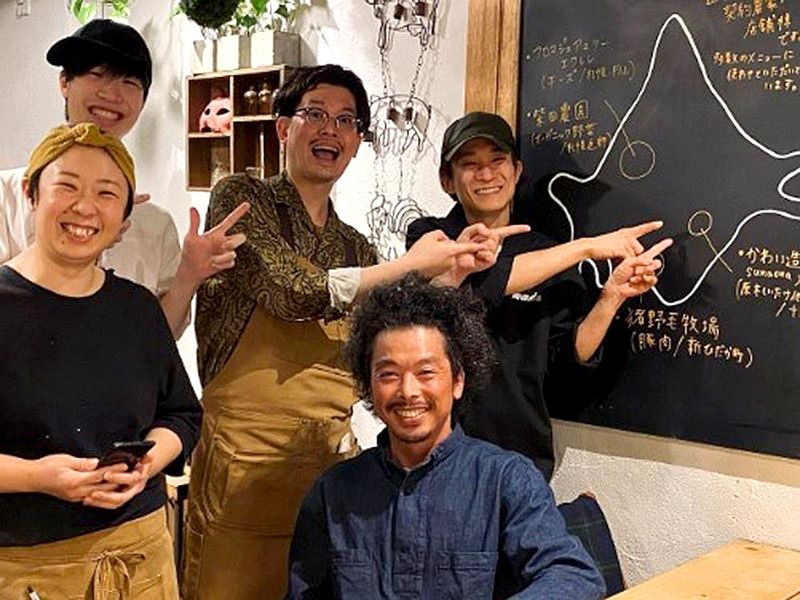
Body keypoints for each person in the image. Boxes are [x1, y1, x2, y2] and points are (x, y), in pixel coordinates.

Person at [182, 65, 512, 600]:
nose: (330, 130)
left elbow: (385, 343)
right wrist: (408, 265)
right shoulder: (242, 198)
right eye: (315, 114)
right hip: (242, 474)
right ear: (283, 128)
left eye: (345, 121)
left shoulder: (354, 245)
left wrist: (453, 274)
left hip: (332, 474)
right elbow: (291, 289)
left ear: (357, 143)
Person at [287, 274, 606, 599]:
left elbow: (573, 574)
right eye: (388, 374)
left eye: (426, 372)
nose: (407, 391)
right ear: (369, 385)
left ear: (458, 381)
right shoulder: (334, 491)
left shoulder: (506, 480)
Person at [407, 112, 672, 480]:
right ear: (447, 180)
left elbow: (566, 367)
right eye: (470, 164)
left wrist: (611, 297)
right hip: (431, 454)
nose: (486, 174)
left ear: (516, 171)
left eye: (497, 160)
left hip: (518, 459)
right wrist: (584, 247)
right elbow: (483, 281)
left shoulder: (548, 254)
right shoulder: (430, 239)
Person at [0, 123, 201, 598]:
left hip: (141, 557)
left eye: (107, 193)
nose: (85, 207)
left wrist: (146, 465)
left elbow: (182, 415)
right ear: (31, 193)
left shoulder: (136, 308)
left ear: (124, 218)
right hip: (27, 568)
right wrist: (38, 478)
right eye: (67, 186)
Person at [0, 19, 248, 337]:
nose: (111, 93)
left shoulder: (155, 225)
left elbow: (159, 339)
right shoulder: (6, 196)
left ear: (143, 101)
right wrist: (76, 242)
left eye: (129, 81)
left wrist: (189, 274)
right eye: (96, 74)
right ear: (64, 83)